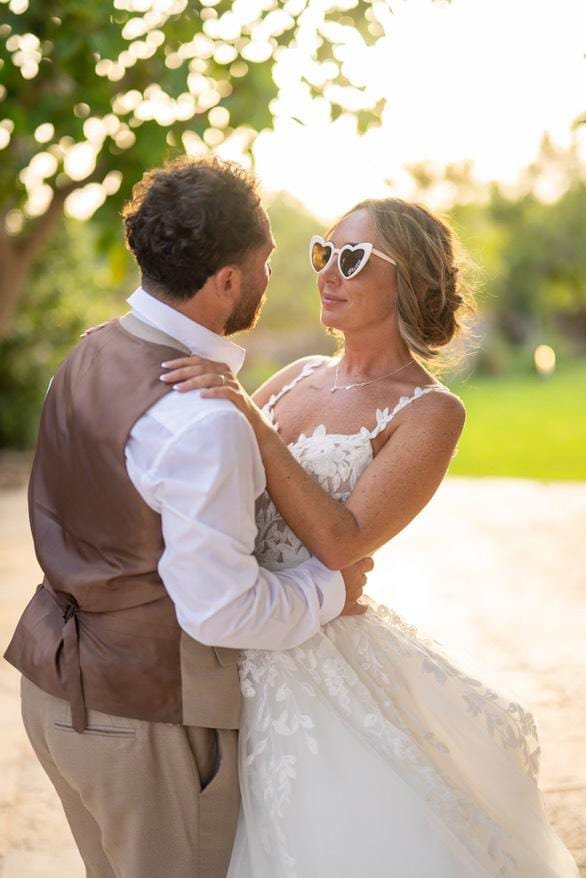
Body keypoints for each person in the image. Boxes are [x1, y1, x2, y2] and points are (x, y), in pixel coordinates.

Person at [161, 197, 580, 876]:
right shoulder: (295, 377)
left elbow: (342, 542)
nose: (329, 272)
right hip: (229, 634)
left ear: (408, 280)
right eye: (323, 253)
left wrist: (250, 417)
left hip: (317, 666)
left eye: (352, 259)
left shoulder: (431, 411)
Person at [3, 156, 372, 878]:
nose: (272, 279)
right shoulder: (205, 418)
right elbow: (222, 614)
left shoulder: (85, 354)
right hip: (143, 725)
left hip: (53, 695)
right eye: (264, 263)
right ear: (228, 281)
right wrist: (335, 589)